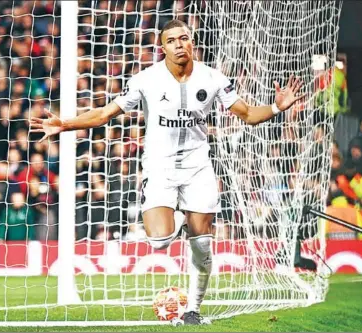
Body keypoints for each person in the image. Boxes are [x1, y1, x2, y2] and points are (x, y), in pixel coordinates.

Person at [30, 20, 305, 325]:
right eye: (171, 40)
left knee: (202, 248)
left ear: (192, 42)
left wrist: (277, 108)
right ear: (162, 48)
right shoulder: (146, 80)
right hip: (159, 168)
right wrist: (65, 124)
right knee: (158, 240)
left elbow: (248, 114)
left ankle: (193, 310)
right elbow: (105, 114)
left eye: (184, 38)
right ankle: (188, 223)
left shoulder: (212, 78)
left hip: (198, 168)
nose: (178, 44)